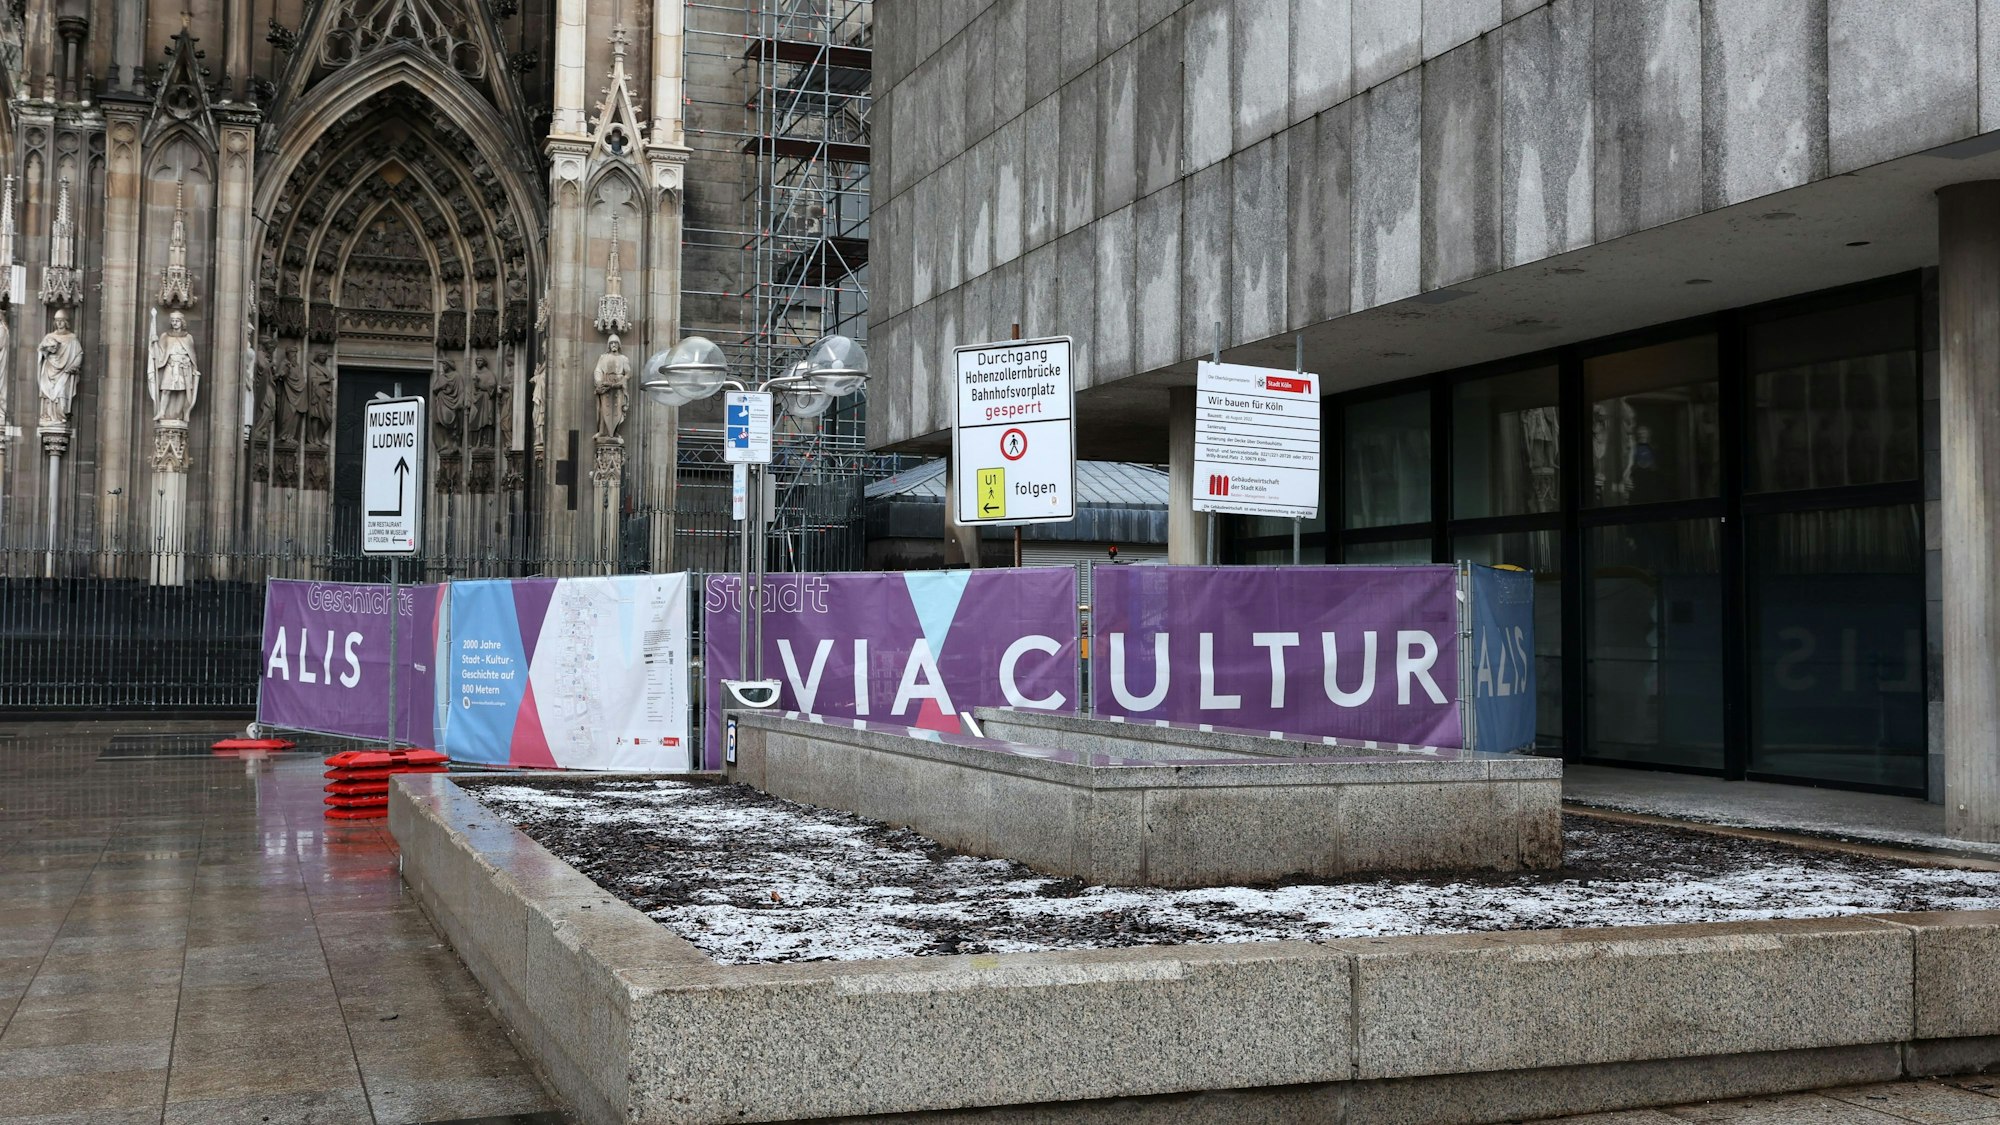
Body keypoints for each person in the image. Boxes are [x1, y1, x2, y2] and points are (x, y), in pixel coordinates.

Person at [148, 309, 202, 424]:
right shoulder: (165, 336)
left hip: (183, 367)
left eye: (177, 320)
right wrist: (154, 343)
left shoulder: (188, 338)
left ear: (182, 322)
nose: (175, 323)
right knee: (166, 389)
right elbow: (160, 353)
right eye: (173, 321)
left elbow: (192, 355)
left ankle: (183, 412)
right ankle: (162, 411)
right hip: (171, 366)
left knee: (183, 391)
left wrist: (193, 368)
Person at [36, 308, 81, 429]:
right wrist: (46, 349)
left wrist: (74, 366)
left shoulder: (72, 338)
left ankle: (60, 417)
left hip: (64, 372)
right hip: (49, 370)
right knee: (48, 394)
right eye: (57, 321)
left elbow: (79, 354)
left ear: (66, 322)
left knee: (60, 394)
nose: (59, 323)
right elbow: (40, 351)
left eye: (62, 320)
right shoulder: (49, 336)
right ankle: (48, 416)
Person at [594, 334, 630, 440]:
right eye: (611, 343)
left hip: (618, 388)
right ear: (608, 345)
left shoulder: (623, 359)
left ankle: (615, 432)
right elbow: (598, 370)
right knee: (603, 410)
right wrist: (599, 381)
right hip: (606, 386)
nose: (613, 345)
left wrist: (623, 380)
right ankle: (602, 431)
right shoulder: (603, 357)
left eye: (615, 343)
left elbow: (628, 373)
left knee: (618, 410)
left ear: (619, 345)